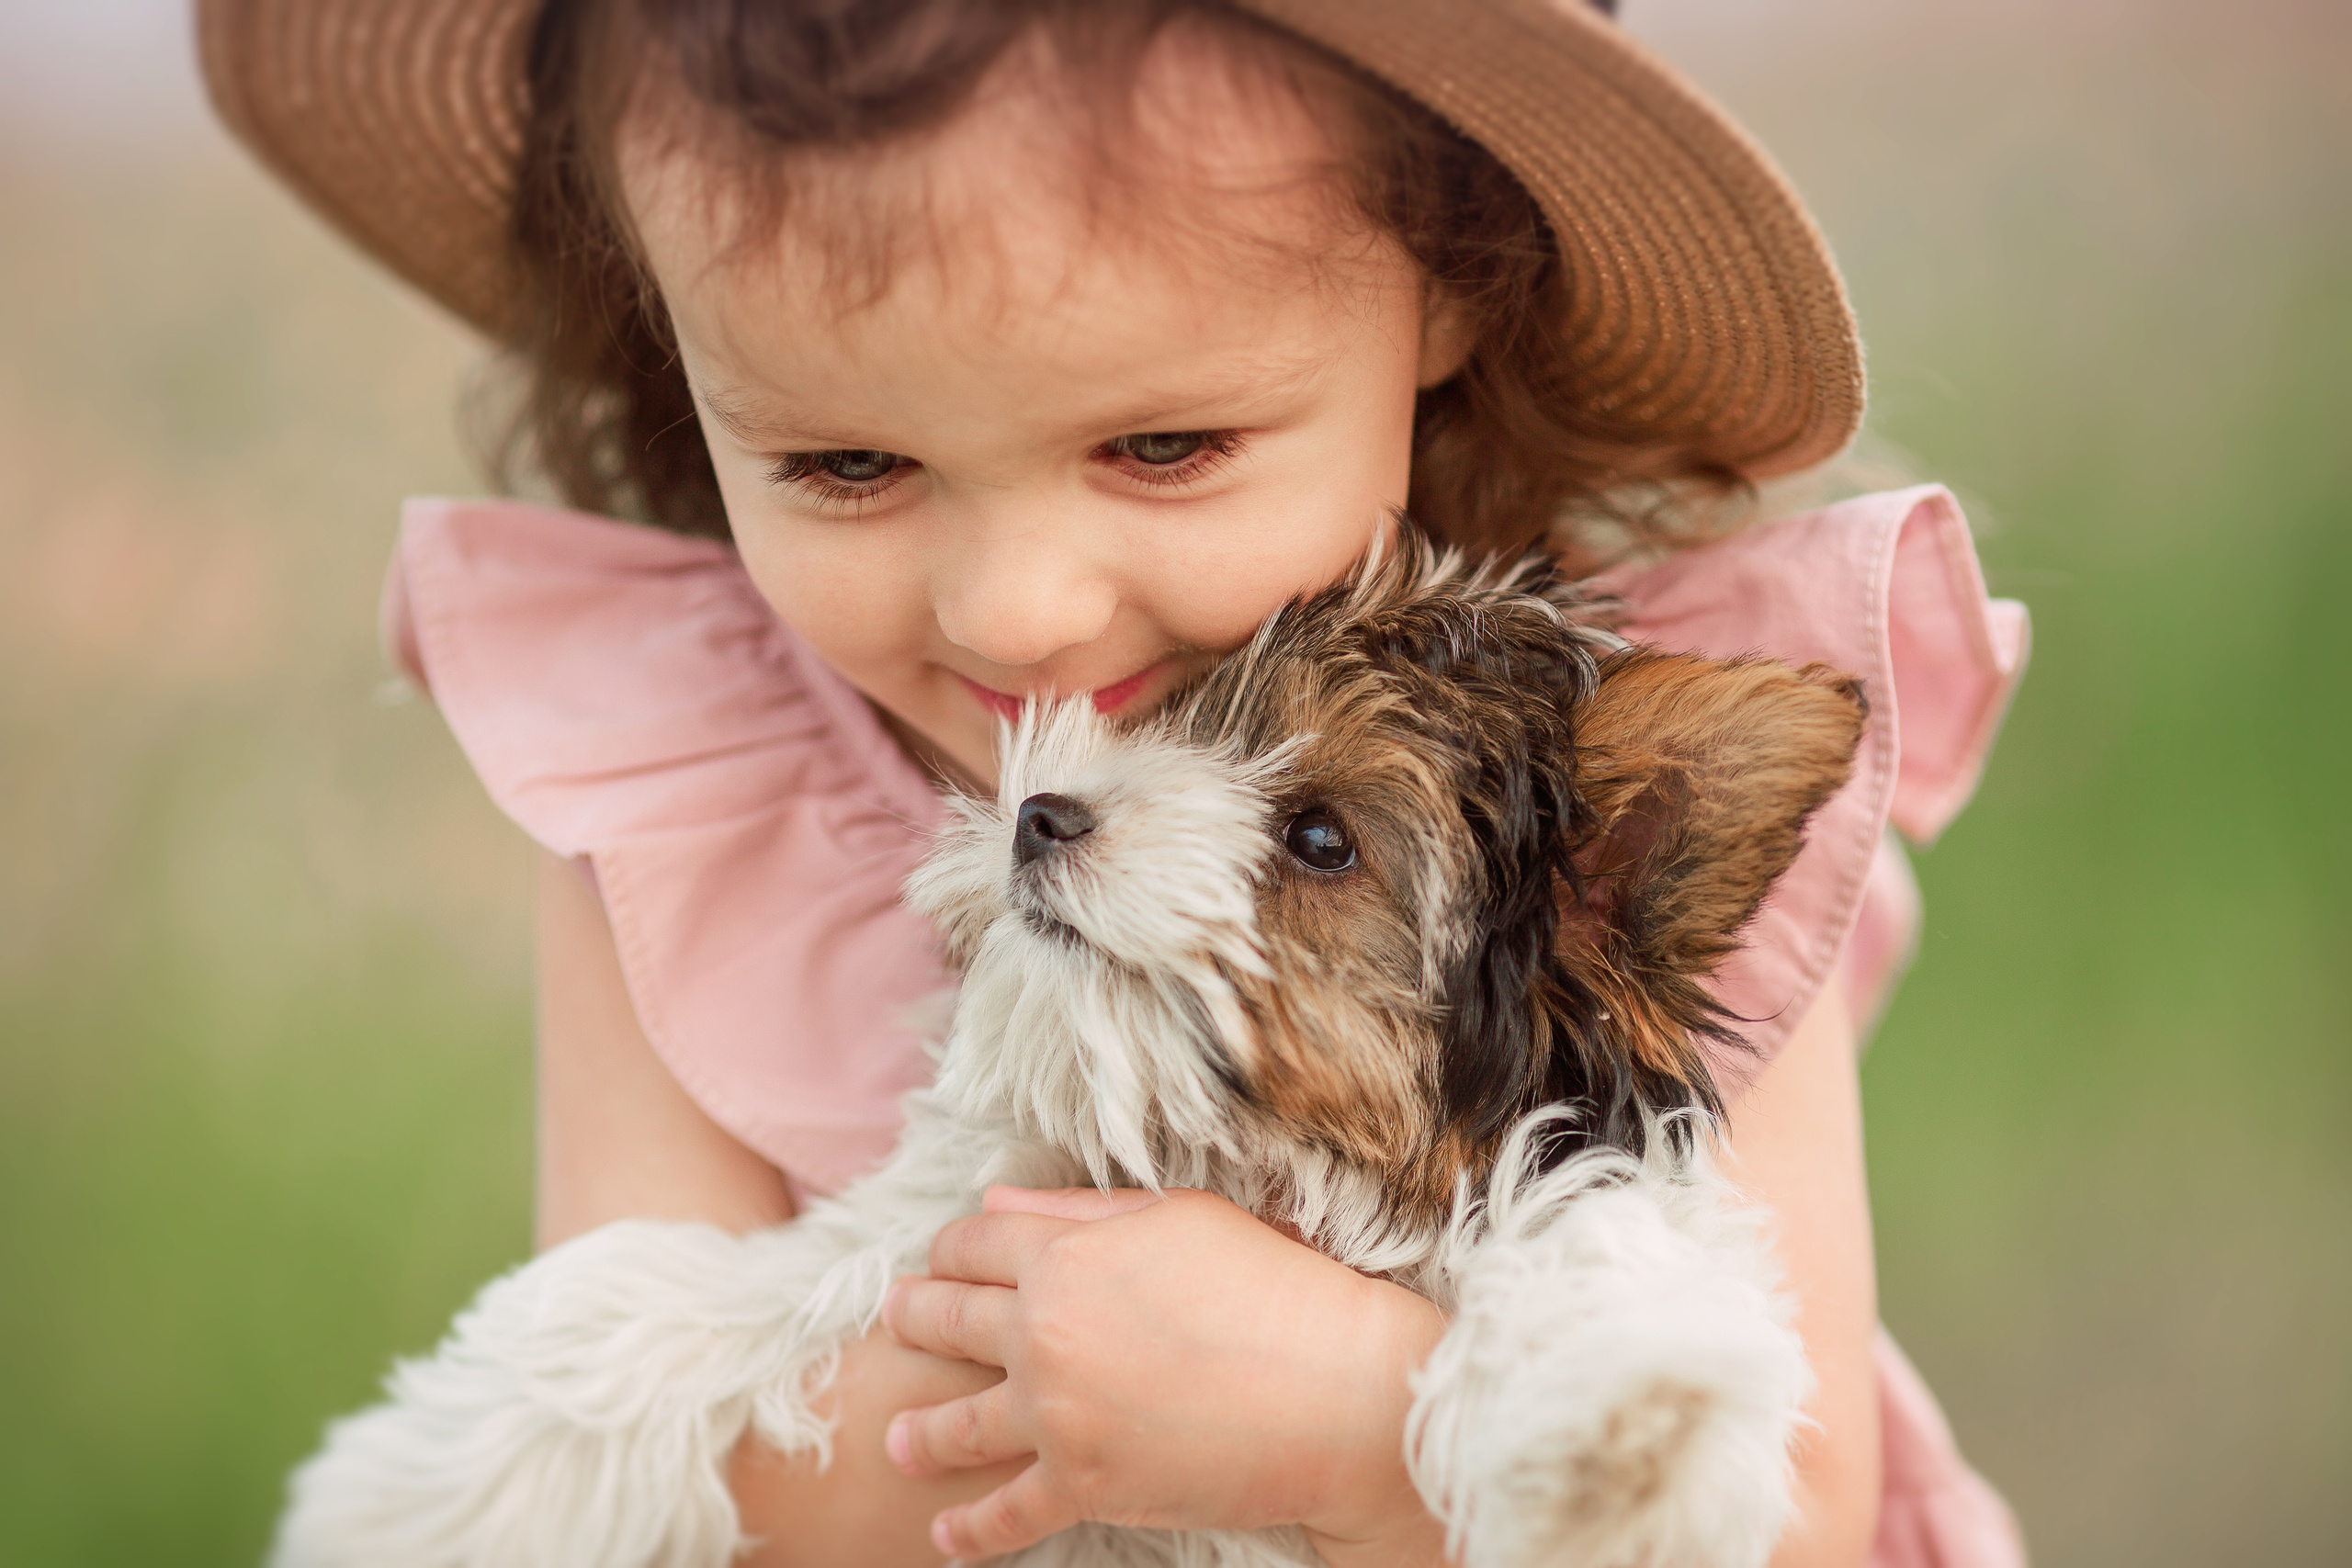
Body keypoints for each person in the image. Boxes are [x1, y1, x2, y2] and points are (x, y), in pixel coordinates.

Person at [200, 2, 2030, 1564]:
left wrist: (1341, 1425)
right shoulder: (677, 783)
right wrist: (1060, 1361)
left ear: (1453, 280)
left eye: (1160, 443)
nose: (1018, 611)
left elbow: (1783, 1518)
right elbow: (611, 1463)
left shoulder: (1599, 763)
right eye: (849, 462)